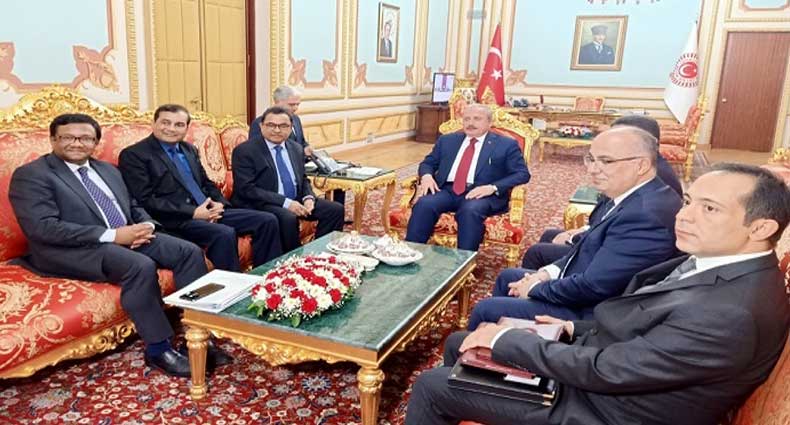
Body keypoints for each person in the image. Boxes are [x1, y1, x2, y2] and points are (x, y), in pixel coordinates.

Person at [406, 163, 790, 425]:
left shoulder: (731, 313)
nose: (683, 215)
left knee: (433, 385)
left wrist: (505, 340)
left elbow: (607, 371)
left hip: (607, 410)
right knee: (461, 343)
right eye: (689, 201)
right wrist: (572, 329)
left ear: (760, 228)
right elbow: (650, 328)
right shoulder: (722, 261)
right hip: (612, 372)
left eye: (710, 209)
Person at [8, 113, 208, 377]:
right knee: (140, 266)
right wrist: (112, 235)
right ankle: (159, 349)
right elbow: (43, 228)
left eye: (85, 138)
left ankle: (199, 331)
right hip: (70, 248)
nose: (77, 143)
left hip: (123, 235)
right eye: (68, 137)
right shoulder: (32, 175)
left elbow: (133, 205)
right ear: (53, 140)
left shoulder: (107, 170)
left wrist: (146, 226)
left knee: (188, 251)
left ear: (95, 143)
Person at [468, 126, 681, 329]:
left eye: (606, 161)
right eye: (591, 159)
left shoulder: (645, 215)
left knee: (486, 309)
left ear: (641, 165)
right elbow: (584, 248)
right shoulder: (628, 192)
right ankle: (497, 344)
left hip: (594, 313)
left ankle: (487, 347)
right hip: (587, 285)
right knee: (508, 277)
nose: (592, 169)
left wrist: (534, 288)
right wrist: (544, 274)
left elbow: (594, 286)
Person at [118, 104, 282, 272]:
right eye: (165, 123)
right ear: (154, 124)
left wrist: (219, 203)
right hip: (177, 219)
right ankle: (228, 286)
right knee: (224, 233)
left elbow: (206, 182)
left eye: (179, 125)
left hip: (209, 210)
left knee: (267, 220)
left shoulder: (189, 149)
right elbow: (145, 200)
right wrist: (193, 212)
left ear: (186, 128)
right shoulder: (135, 154)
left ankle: (267, 277)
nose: (171, 129)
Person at [522, 115, 682, 270]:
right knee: (549, 236)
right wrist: (582, 231)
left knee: (537, 252)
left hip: (608, 252)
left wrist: (574, 238)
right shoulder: (635, 168)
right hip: (604, 236)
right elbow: (608, 213)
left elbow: (622, 234)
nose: (593, 169)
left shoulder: (656, 178)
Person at [405, 104, 530, 252]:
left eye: (477, 119)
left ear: (489, 123)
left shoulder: (506, 144)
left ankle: (465, 260)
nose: (470, 123)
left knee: (470, 210)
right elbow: (428, 163)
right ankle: (411, 253)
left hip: (481, 194)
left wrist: (492, 187)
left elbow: (522, 173)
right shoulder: (447, 140)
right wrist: (426, 176)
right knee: (424, 204)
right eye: (466, 119)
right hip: (447, 190)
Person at [231, 106, 344, 253]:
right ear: (261, 126)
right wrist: (286, 203)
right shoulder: (245, 151)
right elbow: (247, 189)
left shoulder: (296, 148)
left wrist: (308, 197)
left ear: (291, 128)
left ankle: (321, 255)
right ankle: (293, 259)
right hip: (262, 202)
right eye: (271, 125)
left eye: (283, 126)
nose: (277, 130)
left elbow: (302, 179)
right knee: (287, 217)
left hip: (294, 198)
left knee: (335, 209)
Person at [249, 86, 346, 209]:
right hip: (276, 171)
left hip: (300, 163)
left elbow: (302, 142)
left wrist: (307, 148)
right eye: (291, 104)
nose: (295, 108)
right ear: (277, 102)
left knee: (337, 175)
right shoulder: (262, 123)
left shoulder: (295, 119)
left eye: (297, 104)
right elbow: (258, 152)